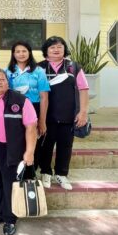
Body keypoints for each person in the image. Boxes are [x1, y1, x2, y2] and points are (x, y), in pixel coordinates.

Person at [0, 68, 37, 235]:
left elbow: (31, 127)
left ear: (8, 82)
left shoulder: (20, 100)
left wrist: (29, 152)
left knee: (9, 185)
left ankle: (10, 219)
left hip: (11, 150)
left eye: (2, 79)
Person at [37, 36, 89, 190]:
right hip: (46, 116)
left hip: (68, 116)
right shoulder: (39, 68)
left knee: (65, 146)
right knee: (44, 146)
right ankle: (45, 172)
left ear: (64, 49)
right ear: (46, 50)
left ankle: (61, 174)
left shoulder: (74, 67)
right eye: (52, 47)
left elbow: (84, 90)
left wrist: (83, 112)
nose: (56, 49)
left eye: (59, 46)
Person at [5, 41, 50, 170]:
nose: (21, 54)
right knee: (16, 141)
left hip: (34, 108)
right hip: (14, 110)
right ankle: (16, 172)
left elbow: (44, 97)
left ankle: (31, 173)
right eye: (17, 51)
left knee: (33, 142)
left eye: (24, 51)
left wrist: (42, 120)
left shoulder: (39, 71)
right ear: (13, 54)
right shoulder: (7, 72)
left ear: (29, 52)